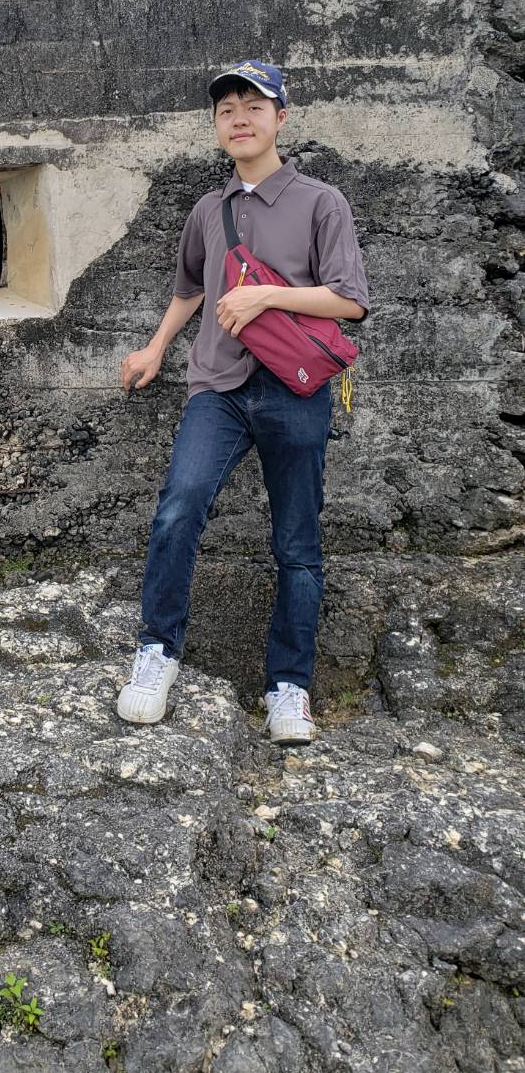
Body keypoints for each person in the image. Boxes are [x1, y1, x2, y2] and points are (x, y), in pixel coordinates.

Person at [116, 61, 369, 744]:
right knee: (177, 510)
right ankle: (158, 652)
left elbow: (350, 300)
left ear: (281, 117)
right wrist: (154, 348)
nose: (239, 117)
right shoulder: (208, 209)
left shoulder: (323, 202)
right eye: (227, 108)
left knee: (297, 542)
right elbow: (189, 290)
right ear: (216, 125)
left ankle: (290, 686)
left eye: (254, 105)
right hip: (218, 388)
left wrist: (268, 294)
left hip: (296, 389)